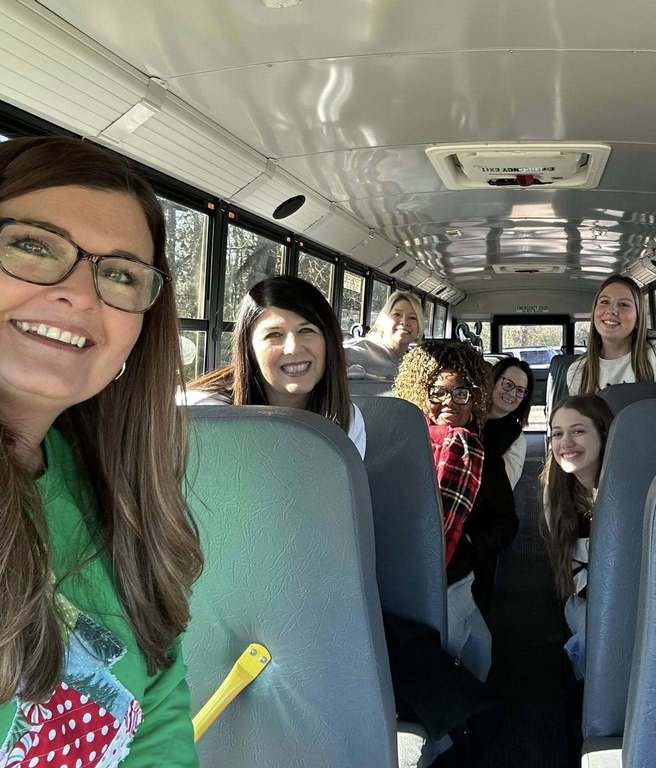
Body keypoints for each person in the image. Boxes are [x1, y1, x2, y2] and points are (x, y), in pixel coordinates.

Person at [0, 136, 203, 766]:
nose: (83, 296)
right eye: (33, 246)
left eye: (120, 274)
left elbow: (157, 725)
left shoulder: (118, 498)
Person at [393, 340, 518, 680]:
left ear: (475, 398)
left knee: (476, 653)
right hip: (400, 577)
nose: (448, 402)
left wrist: (469, 547)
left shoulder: (482, 456)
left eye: (460, 393)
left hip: (457, 574)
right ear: (418, 392)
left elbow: (507, 523)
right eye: (437, 391)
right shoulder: (395, 445)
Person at [183, 275, 366, 457]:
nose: (293, 348)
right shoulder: (205, 414)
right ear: (249, 349)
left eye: (306, 330)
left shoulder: (347, 418)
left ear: (329, 341)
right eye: (274, 334)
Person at [540, 395, 614, 681]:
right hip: (583, 600)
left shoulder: (629, 489)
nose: (565, 443)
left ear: (604, 434)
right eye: (557, 434)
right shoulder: (554, 492)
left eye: (578, 431)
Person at [566, 274, 656, 395]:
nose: (611, 310)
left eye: (624, 304)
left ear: (638, 319)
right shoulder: (578, 370)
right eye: (604, 302)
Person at [344, 289, 424, 380]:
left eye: (412, 317)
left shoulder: (417, 362)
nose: (404, 322)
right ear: (384, 320)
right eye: (397, 314)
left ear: (419, 327)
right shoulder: (360, 349)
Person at [484, 356, 535, 489]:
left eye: (520, 390)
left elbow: (502, 489)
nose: (512, 394)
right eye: (508, 385)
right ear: (493, 381)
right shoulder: (467, 417)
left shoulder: (516, 439)